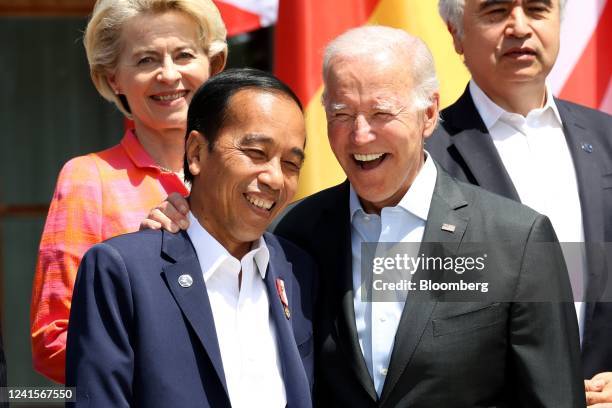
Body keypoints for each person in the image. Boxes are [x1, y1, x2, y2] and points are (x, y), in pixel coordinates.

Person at [147, 26, 585, 407]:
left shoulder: (518, 240)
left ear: (428, 114)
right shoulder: (292, 233)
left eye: (380, 113)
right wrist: (183, 221)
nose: (359, 135)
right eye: (341, 114)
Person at [66, 68, 314, 408]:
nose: (275, 178)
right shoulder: (123, 271)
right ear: (196, 153)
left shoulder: (299, 272)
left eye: (290, 163)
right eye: (256, 152)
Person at [30, 0, 227, 384]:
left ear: (212, 65)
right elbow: (54, 342)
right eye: (146, 60)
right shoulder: (89, 179)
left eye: (184, 55)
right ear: (113, 77)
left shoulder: (246, 177)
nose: (169, 75)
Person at [427, 1, 612, 405]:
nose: (520, 27)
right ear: (456, 35)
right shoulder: (423, 162)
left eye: (537, 9)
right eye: (496, 12)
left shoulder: (607, 140)